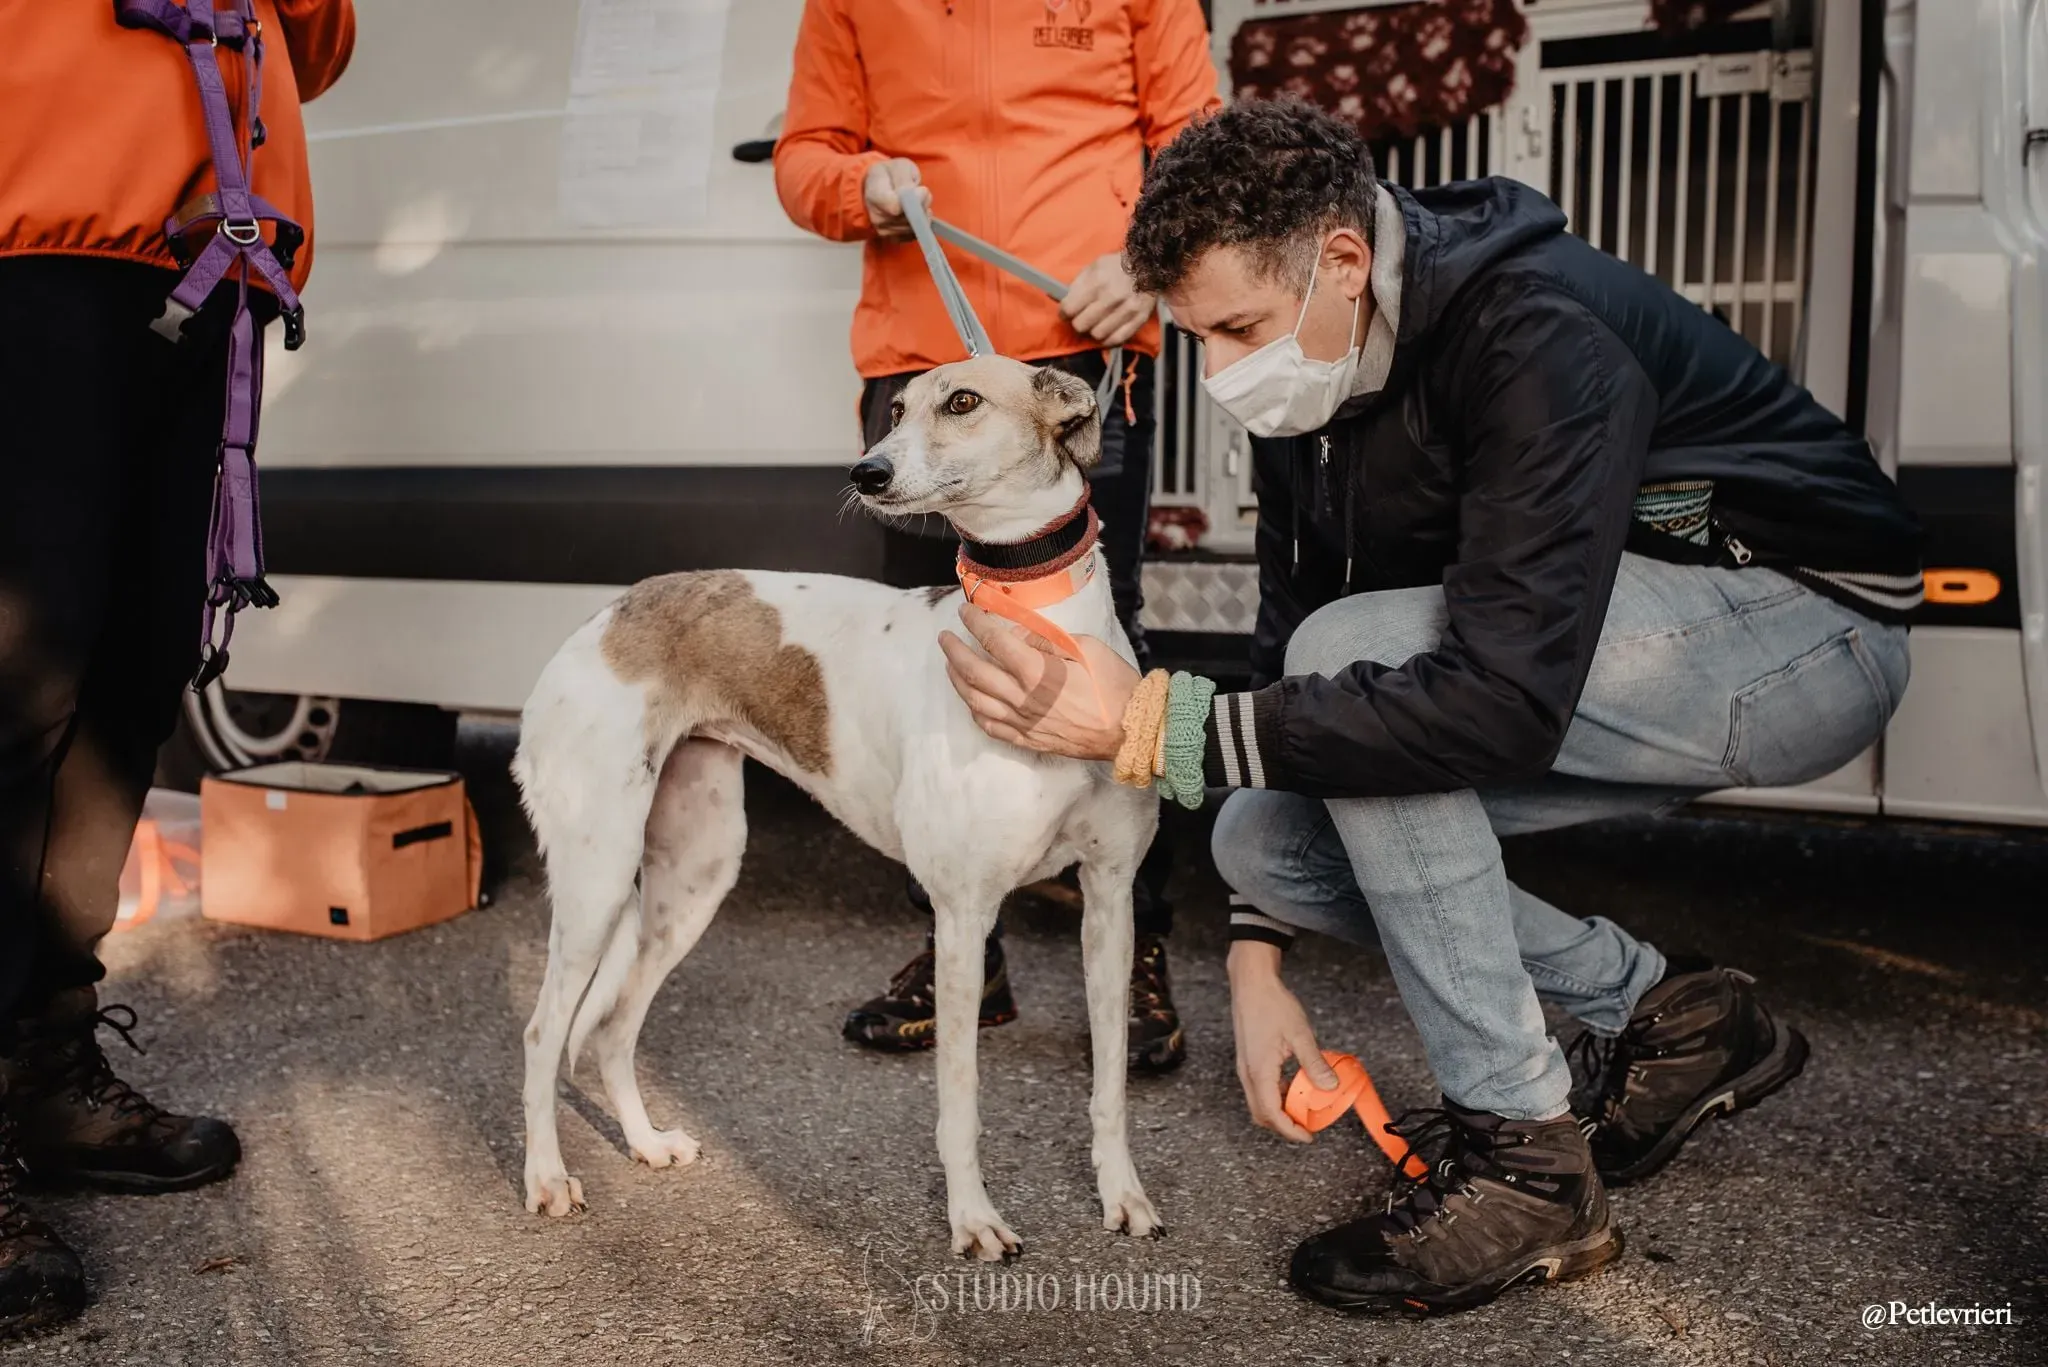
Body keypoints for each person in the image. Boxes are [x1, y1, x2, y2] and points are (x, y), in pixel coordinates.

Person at [940, 99, 1922, 1315]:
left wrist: (1154, 724)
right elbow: (1295, 639)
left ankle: (1525, 1156)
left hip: (1809, 630)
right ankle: (1672, 1016)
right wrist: (1254, 954)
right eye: (1195, 337)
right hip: (1588, 651)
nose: (1223, 370)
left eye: (1237, 326)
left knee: (1355, 669)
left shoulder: (1532, 332)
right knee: (1261, 830)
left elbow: (1496, 702)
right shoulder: (1319, 366)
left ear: (1342, 262)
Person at [773, 0, 1220, 1071]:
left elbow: (1198, 147)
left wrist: (1144, 262)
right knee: (937, 654)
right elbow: (803, 158)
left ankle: (1134, 938)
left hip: (1077, 355)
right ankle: (956, 946)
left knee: (1104, 642)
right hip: (921, 372)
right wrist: (858, 186)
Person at [0, 0, 354, 1335]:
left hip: (201, 245)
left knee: (132, 674)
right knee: (18, 678)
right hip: (23, 231)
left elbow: (311, 38)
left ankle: (42, 1047)